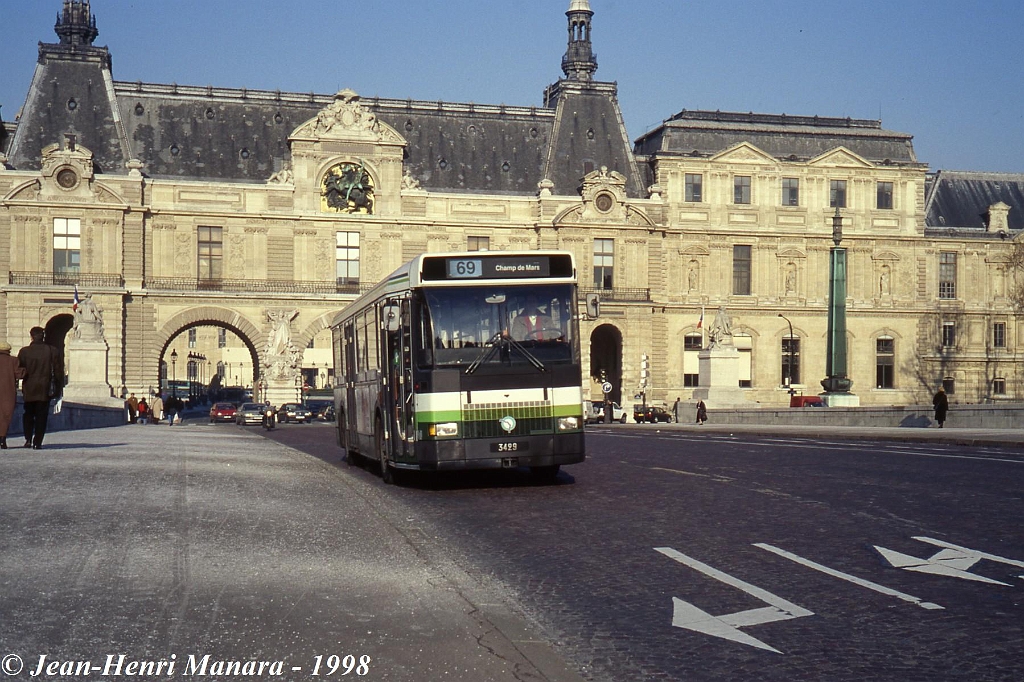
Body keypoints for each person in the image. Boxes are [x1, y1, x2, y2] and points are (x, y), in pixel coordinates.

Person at [18, 326, 63, 449]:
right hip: (45, 388)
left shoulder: (24, 352)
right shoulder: (52, 350)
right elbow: (58, 371)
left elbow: (20, 370)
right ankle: (38, 442)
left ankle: (28, 439)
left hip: (29, 387)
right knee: (41, 416)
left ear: (31, 336)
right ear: (43, 336)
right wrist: (59, 388)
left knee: (28, 414)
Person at [0, 341, 25, 449]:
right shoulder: (13, 360)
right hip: (7, 392)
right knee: (5, 415)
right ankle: (2, 439)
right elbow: (20, 374)